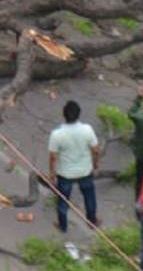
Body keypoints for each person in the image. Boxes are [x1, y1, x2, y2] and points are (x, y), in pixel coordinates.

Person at [48, 100, 99, 233]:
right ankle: (92, 221)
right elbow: (95, 150)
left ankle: (63, 226)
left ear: (63, 115)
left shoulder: (57, 134)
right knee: (89, 196)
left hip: (65, 173)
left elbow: (53, 157)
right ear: (79, 114)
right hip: (85, 170)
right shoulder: (87, 129)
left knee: (63, 201)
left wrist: (52, 173)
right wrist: (95, 163)